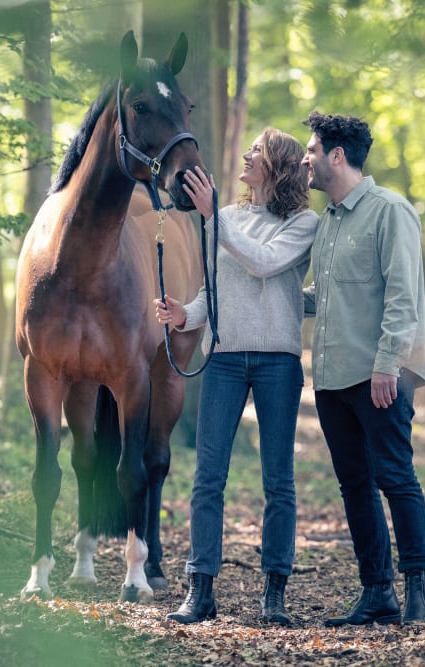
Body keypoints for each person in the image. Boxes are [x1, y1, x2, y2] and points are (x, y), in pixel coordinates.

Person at [154, 128, 318, 626]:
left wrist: (212, 220)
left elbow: (264, 263)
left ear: (278, 166)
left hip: (277, 362)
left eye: (256, 152)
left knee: (278, 482)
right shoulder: (223, 217)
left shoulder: (304, 223)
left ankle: (274, 595)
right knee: (208, 478)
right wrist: (186, 315)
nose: (246, 157)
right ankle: (199, 590)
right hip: (223, 359)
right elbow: (215, 289)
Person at [300, 111, 425, 626]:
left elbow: (403, 298)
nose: (306, 160)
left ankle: (418, 588)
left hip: (380, 376)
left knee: (396, 478)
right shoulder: (328, 222)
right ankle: (377, 590)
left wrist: (387, 365)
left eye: (312, 151)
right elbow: (325, 296)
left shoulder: (389, 211)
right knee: (354, 485)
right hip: (333, 379)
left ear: (338, 155)